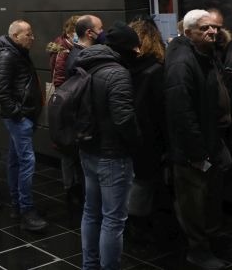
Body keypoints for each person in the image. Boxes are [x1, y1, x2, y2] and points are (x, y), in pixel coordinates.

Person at [164, 10, 231, 270]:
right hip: (192, 148)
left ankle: (210, 242)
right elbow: (181, 112)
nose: (212, 32)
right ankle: (198, 251)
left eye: (214, 27)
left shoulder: (205, 54)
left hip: (209, 139)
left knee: (208, 197)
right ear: (188, 32)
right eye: (204, 28)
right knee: (193, 201)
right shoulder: (183, 62)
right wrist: (196, 152)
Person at [73, 22, 141, 270]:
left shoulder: (85, 63)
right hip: (112, 155)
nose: (137, 52)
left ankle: (89, 265)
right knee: (113, 219)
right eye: (135, 47)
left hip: (88, 149)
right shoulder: (118, 73)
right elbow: (124, 119)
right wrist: (137, 143)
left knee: (91, 212)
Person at [0, 20, 47, 231]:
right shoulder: (8, 56)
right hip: (19, 119)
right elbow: (2, 92)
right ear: (15, 36)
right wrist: (19, 115)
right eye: (28, 34)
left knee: (16, 161)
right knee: (27, 162)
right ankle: (26, 210)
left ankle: (17, 205)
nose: (32, 38)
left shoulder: (18, 52)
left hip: (24, 117)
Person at [126, 17, 167, 242]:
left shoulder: (123, 67)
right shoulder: (156, 70)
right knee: (145, 182)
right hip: (150, 137)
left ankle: (134, 223)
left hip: (128, 135)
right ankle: (140, 226)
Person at [46, 15, 83, 203]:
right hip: (66, 103)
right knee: (67, 149)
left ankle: (73, 186)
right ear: (69, 32)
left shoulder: (64, 47)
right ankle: (70, 188)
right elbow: (60, 79)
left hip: (64, 102)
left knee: (68, 149)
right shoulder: (64, 51)